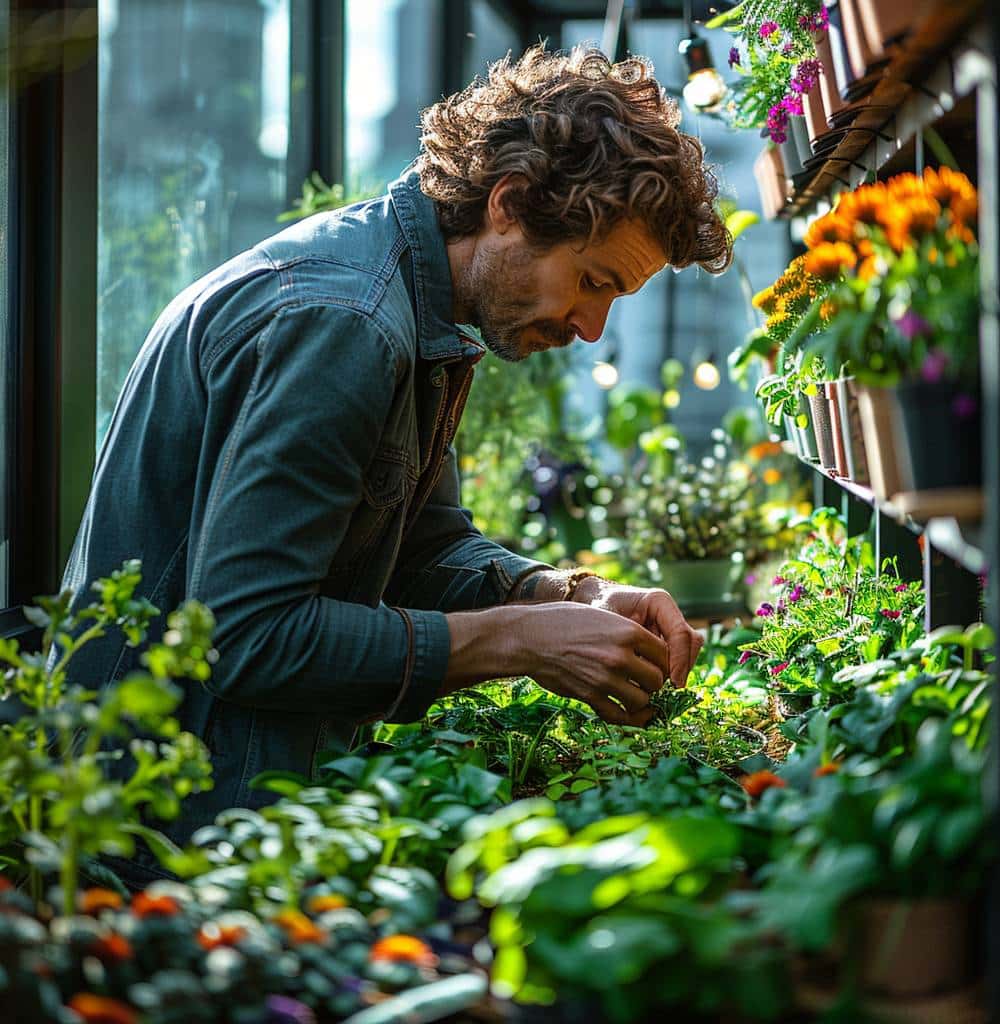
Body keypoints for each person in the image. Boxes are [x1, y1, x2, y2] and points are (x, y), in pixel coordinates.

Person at [61, 45, 732, 885]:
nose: (590, 327)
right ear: (511, 203)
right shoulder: (343, 323)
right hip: (157, 842)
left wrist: (561, 593)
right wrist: (518, 640)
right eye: (591, 282)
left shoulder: (410, 307)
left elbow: (422, 547)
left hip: (227, 817)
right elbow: (244, 636)